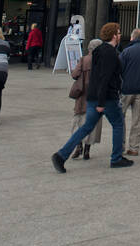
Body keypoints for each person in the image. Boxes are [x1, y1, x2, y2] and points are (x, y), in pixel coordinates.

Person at [51, 23, 132, 171]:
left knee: (87, 127)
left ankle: (61, 155)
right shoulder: (110, 53)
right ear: (114, 35)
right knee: (118, 124)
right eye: (119, 33)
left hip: (93, 95)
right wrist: (101, 102)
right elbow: (105, 78)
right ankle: (116, 158)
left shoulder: (98, 51)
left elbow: (96, 76)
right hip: (106, 97)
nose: (120, 35)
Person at [68, 39, 104, 159]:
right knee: (92, 122)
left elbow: (74, 75)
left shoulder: (84, 60)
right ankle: (87, 150)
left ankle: (78, 146)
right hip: (96, 95)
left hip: (82, 95)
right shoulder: (101, 61)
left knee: (78, 121)